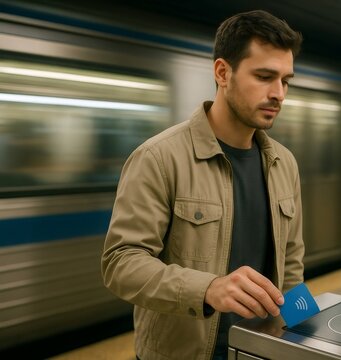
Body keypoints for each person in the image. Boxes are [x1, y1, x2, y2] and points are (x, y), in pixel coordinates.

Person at [101, 10, 304, 360]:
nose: (278, 94)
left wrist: (306, 333)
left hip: (259, 352)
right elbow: (121, 263)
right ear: (223, 73)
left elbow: (292, 265)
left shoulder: (284, 163)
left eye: (286, 80)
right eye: (264, 76)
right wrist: (207, 289)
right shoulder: (159, 157)